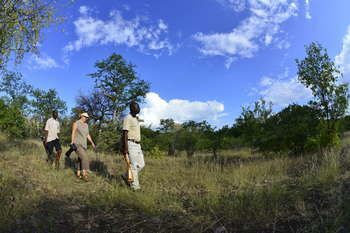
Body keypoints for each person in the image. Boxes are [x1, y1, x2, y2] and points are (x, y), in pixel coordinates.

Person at [121, 101, 145, 190]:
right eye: (135, 107)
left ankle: (127, 175)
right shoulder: (128, 118)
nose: (138, 108)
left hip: (138, 145)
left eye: (138, 106)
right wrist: (125, 148)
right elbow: (125, 133)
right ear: (131, 108)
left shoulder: (136, 118)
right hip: (130, 144)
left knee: (142, 164)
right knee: (133, 166)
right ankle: (135, 187)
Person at [71, 112, 96, 181]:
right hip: (77, 144)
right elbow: (73, 132)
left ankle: (78, 174)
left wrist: (92, 143)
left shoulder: (86, 125)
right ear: (81, 116)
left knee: (80, 159)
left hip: (84, 145)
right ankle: (85, 174)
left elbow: (87, 134)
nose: (86, 118)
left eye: (87, 117)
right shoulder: (76, 123)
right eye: (85, 117)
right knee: (84, 157)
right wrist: (72, 142)